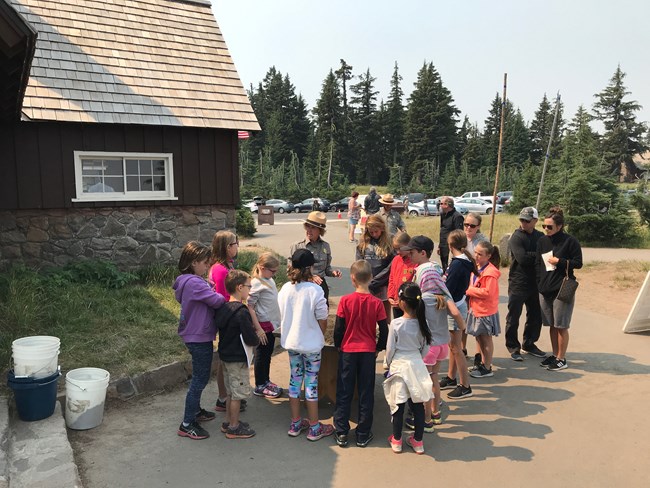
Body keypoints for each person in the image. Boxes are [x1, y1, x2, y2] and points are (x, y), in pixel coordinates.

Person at [278, 249, 334, 441]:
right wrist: (320, 332)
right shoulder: (315, 291)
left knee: (295, 381)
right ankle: (314, 427)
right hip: (311, 345)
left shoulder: (285, 288)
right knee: (311, 383)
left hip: (292, 342)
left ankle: (295, 423)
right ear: (310, 268)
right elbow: (322, 319)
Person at [333, 260, 389, 448]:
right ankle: (363, 433)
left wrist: (339, 345)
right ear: (371, 278)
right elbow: (384, 329)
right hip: (367, 352)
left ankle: (341, 431)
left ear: (352, 279)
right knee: (366, 392)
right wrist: (378, 348)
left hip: (348, 350)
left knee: (344, 391)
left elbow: (339, 328)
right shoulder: (377, 303)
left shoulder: (345, 301)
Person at [174, 241, 226, 440]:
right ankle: (187, 423)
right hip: (199, 335)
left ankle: (195, 412)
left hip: (194, 333)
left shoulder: (186, 281)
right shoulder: (195, 282)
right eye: (205, 263)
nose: (207, 266)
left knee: (200, 376)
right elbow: (216, 301)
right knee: (200, 378)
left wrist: (209, 286)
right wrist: (217, 292)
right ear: (194, 262)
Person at [383, 282, 433, 455]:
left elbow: (390, 349)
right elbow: (426, 347)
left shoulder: (396, 324)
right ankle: (418, 441)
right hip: (416, 364)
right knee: (418, 403)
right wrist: (419, 358)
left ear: (402, 302)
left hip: (399, 364)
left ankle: (396, 440)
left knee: (398, 403)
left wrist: (388, 364)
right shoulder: (423, 322)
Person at [536, 206, 583, 371]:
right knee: (552, 325)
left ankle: (561, 359)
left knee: (561, 325)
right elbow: (538, 263)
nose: (546, 229)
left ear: (559, 226)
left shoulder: (570, 241)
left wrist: (560, 261)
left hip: (562, 288)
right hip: (545, 289)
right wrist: (539, 284)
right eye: (544, 226)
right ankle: (555, 355)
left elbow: (578, 263)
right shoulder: (542, 241)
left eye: (549, 227)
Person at [214, 270, 259, 439]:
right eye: (249, 286)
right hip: (237, 358)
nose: (250, 290)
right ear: (240, 287)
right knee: (238, 393)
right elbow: (249, 336)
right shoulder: (242, 312)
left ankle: (228, 422)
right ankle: (234, 427)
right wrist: (256, 339)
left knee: (231, 392)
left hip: (225, 357)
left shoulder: (224, 308)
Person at [209, 231, 245, 413]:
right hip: (228, 319)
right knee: (226, 359)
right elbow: (224, 296)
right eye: (234, 243)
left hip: (229, 316)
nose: (237, 246)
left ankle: (227, 395)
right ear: (226, 247)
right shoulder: (220, 269)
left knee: (226, 358)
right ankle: (224, 397)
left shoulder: (226, 265)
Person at [505, 207, 546, 361]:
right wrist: (538, 256)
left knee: (535, 315)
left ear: (535, 221)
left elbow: (548, 256)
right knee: (514, 316)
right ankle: (512, 346)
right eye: (522, 220)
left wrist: (534, 256)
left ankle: (529, 343)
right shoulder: (516, 237)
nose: (523, 223)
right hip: (518, 282)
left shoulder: (540, 237)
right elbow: (521, 259)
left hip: (535, 282)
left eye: (527, 220)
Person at [440, 230, 475, 399]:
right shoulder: (463, 261)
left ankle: (465, 385)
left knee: (456, 348)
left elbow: (449, 288)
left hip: (455, 307)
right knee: (453, 346)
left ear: (450, 245)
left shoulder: (457, 264)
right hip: (459, 304)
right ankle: (451, 377)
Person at [248, 252, 282, 399]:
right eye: (272, 271)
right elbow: (250, 306)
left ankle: (266, 381)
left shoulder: (268, 279)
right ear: (262, 267)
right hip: (263, 325)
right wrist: (259, 328)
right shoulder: (256, 283)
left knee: (267, 355)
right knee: (261, 356)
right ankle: (260, 385)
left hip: (271, 324)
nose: (274, 274)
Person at [466, 240, 501, 378]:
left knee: (486, 339)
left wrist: (469, 290)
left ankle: (487, 367)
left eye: (480, 254)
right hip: (476, 309)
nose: (476, 256)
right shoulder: (477, 267)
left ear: (488, 256)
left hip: (485, 311)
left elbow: (488, 293)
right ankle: (482, 362)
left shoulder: (490, 272)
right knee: (479, 338)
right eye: (475, 253)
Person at [290, 211, 342, 302]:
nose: (309, 230)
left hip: (320, 286)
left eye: (313, 228)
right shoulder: (297, 246)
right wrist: (310, 277)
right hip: (302, 285)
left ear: (320, 230)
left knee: (322, 313)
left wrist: (333, 272)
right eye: (307, 226)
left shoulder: (325, 246)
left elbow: (327, 268)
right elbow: (291, 269)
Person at [356, 214, 395, 320]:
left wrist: (377, 280)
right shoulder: (364, 242)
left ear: (382, 228)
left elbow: (392, 265)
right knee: (368, 315)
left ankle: (385, 334)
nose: (374, 234)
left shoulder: (390, 241)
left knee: (385, 316)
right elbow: (359, 263)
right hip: (367, 283)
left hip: (383, 283)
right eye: (371, 232)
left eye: (376, 232)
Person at [387, 232, 416, 320]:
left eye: (400, 248)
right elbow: (391, 278)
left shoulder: (415, 261)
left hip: (409, 303)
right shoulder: (396, 260)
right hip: (396, 302)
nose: (398, 252)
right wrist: (390, 296)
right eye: (395, 249)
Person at [438, 196, 465, 271]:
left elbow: (459, 233)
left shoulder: (457, 216)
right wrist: (439, 246)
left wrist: (454, 248)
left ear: (447, 205)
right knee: (444, 265)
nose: (440, 205)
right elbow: (442, 230)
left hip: (452, 246)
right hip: (443, 244)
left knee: (451, 266)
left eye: (441, 203)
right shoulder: (443, 215)